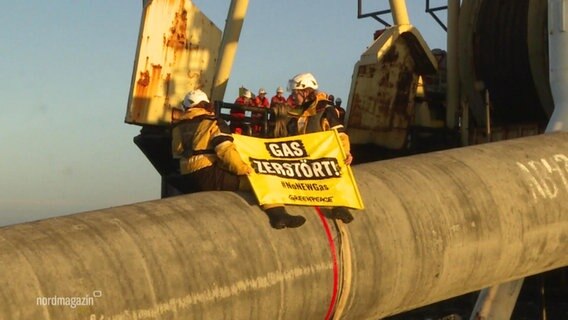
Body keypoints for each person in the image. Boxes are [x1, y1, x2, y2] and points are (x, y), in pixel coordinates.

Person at [172, 89, 305, 229]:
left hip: (187, 177)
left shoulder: (178, 127)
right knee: (260, 180)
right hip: (208, 176)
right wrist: (242, 168)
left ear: (187, 107)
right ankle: (278, 215)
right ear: (206, 104)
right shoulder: (213, 122)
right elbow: (224, 150)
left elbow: (177, 152)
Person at [286, 72, 354, 223]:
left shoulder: (325, 111)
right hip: (303, 162)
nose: (292, 96)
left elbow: (340, 134)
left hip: (322, 161)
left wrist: (345, 152)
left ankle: (341, 206)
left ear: (305, 91)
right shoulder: (295, 115)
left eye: (295, 93)